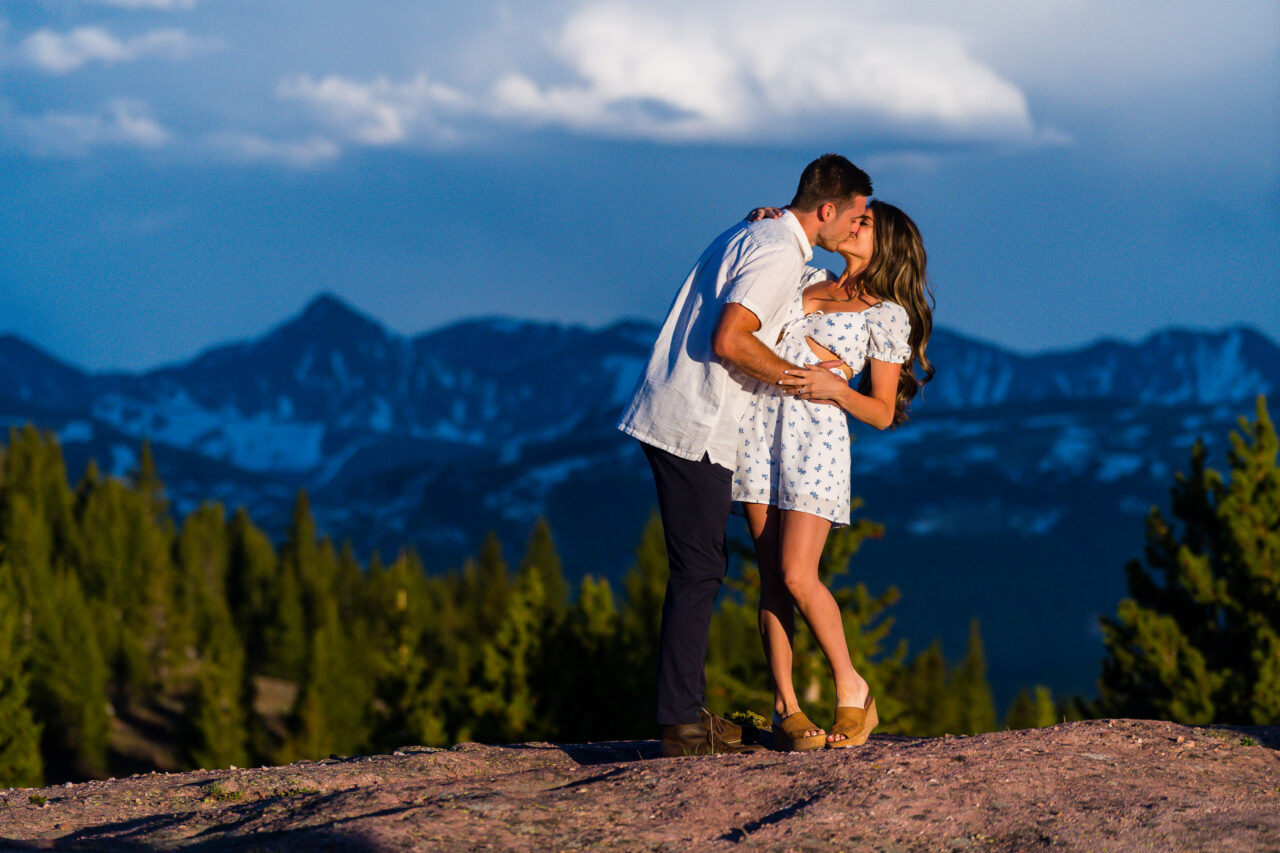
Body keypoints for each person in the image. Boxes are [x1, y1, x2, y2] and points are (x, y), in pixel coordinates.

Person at [617, 154, 873, 757]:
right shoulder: (779, 250)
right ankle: (681, 723)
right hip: (697, 422)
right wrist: (797, 378)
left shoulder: (764, 235)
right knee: (699, 569)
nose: (858, 226)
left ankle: (685, 713)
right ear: (828, 209)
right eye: (857, 215)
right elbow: (730, 338)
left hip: (689, 415)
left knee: (699, 565)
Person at [735, 200, 934, 750]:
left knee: (799, 574)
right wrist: (773, 218)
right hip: (759, 428)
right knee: (771, 578)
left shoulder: (887, 313)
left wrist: (839, 391)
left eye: (864, 223)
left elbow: (882, 411)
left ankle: (853, 689)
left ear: (886, 242)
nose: (852, 223)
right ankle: (786, 709)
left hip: (816, 444)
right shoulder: (808, 275)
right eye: (852, 216)